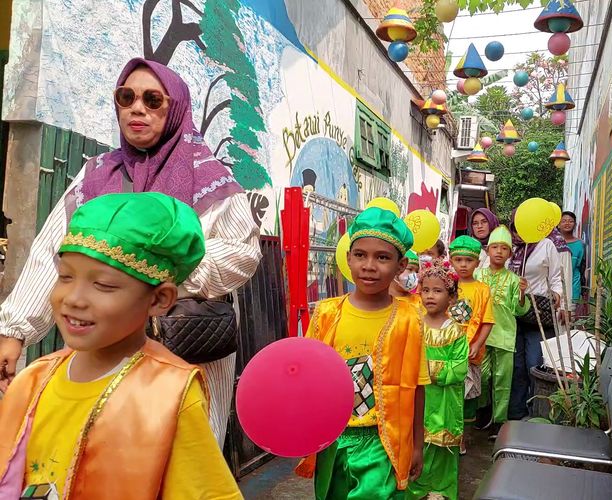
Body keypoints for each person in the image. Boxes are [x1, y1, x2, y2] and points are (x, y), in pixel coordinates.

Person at [0, 58, 261, 448]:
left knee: (181, 456)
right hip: (102, 343)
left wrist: (159, 269)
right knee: (102, 455)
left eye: (154, 100)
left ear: (175, 109)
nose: (138, 108)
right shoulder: (96, 175)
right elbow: (52, 254)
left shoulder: (210, 177)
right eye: (127, 97)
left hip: (185, 346)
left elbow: (242, 253)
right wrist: (13, 332)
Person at [0, 192, 242, 499]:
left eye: (103, 285)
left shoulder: (168, 393)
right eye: (65, 277)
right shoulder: (32, 382)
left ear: (158, 299)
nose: (74, 298)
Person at [295, 207, 430, 498]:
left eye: (382, 257)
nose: (369, 265)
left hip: (382, 443)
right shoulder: (326, 314)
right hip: (332, 440)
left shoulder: (409, 318)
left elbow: (416, 387)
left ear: (401, 265)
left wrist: (417, 444)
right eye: (360, 255)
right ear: (348, 258)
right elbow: (306, 379)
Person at [406, 260, 467, 500]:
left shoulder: (455, 330)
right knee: (416, 441)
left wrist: (426, 370)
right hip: (417, 396)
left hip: (443, 400)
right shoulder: (413, 324)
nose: (430, 296)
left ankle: (441, 489)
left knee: (442, 447)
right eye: (426, 290)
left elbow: (459, 367)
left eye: (438, 290)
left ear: (451, 298)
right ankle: (414, 487)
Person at [507, 211, 564, 421]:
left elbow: (556, 276)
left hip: (538, 313)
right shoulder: (510, 247)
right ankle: (516, 413)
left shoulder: (545, 245)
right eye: (516, 226)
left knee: (534, 363)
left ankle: (536, 412)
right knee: (516, 365)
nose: (519, 230)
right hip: (512, 313)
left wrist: (559, 297)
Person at [474, 226, 529, 438]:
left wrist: (523, 293)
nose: (498, 251)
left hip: (505, 334)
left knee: (503, 379)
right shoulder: (477, 274)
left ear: (510, 254)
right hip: (481, 335)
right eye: (494, 247)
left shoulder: (515, 280)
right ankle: (482, 410)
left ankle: (499, 421)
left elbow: (519, 310)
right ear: (487, 250)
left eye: (504, 248)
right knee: (483, 376)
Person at [449, 236, 493, 446]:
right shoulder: (446, 285)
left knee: (468, 396)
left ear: (477, 262)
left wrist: (476, 344)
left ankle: (462, 439)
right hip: (446, 351)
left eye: (468, 260)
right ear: (451, 260)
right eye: (458, 260)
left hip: (470, 353)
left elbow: (487, 321)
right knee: (448, 394)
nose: (463, 265)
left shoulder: (482, 289)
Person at [558, 211, 586, 306]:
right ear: (558, 224)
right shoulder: (552, 243)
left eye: (570, 221)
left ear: (575, 224)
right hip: (556, 290)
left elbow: (580, 267)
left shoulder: (580, 244)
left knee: (570, 319)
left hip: (573, 288)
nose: (567, 223)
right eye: (564, 221)